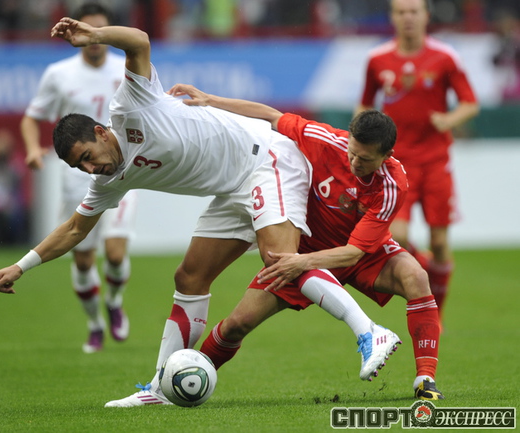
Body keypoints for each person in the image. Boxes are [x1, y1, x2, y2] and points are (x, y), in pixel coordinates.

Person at [0, 17, 400, 408]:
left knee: (280, 260)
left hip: (268, 159)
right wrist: (20, 267)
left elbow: (139, 41)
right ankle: (159, 388)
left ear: (100, 132)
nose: (92, 169)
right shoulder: (109, 179)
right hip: (232, 189)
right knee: (189, 277)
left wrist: (94, 35)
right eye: (82, 168)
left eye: (88, 157)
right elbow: (75, 229)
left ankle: (370, 333)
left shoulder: (130, 106)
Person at [166, 83, 443, 400]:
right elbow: (271, 116)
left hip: (358, 254)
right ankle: (186, 379)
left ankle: (425, 380)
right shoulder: (324, 140)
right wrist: (210, 99)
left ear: (387, 156)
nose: (354, 162)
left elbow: (354, 252)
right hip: (307, 251)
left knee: (416, 277)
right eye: (352, 152)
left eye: (365, 159)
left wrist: (301, 262)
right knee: (236, 324)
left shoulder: (393, 185)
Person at [20, 3, 137, 353]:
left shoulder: (125, 67)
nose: (95, 40)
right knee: (83, 259)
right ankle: (95, 324)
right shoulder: (59, 74)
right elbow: (31, 117)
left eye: (100, 31)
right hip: (79, 178)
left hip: (120, 169)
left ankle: (114, 301)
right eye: (88, 31)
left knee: (114, 253)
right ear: (77, 32)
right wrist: (32, 149)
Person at [355, 0, 479, 319]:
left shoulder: (445, 57)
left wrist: (449, 120)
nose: (408, 17)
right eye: (401, 12)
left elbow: (470, 102)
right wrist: (359, 136)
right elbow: (365, 103)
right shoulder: (377, 59)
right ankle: (423, 272)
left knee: (440, 243)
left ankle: (437, 314)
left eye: (413, 11)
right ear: (392, 17)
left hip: (436, 161)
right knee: (398, 236)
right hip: (397, 163)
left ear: (426, 16)